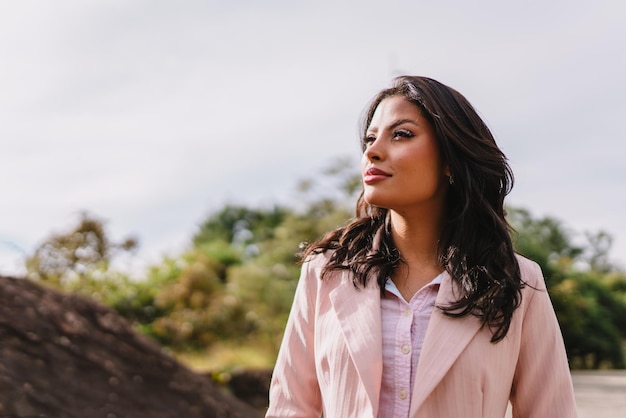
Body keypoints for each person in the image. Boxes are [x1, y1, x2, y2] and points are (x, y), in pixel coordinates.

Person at [265, 76, 578, 418]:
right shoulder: (325, 272)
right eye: (370, 138)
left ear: (450, 160)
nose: (372, 150)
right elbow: (291, 408)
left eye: (401, 134)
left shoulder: (516, 281)